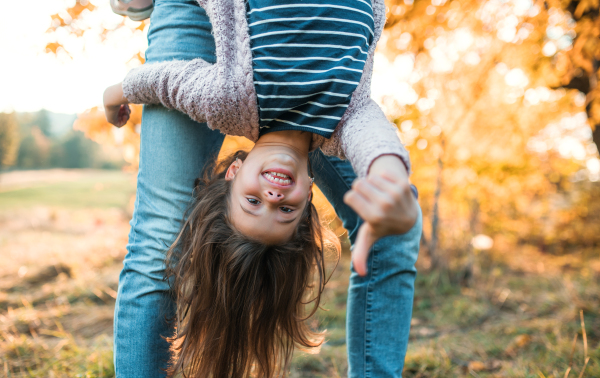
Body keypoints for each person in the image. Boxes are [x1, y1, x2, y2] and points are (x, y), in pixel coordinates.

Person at [104, 0, 423, 376]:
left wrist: (114, 93)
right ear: (307, 197)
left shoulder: (229, 100)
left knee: (160, 244)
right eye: (284, 211)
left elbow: (168, 82)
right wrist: (390, 178)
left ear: (234, 172)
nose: (272, 198)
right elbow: (376, 142)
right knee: (397, 222)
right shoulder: (344, 120)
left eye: (252, 201)